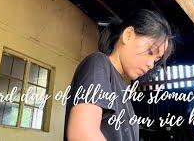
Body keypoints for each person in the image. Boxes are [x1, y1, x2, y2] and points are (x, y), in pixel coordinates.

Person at [64, 9, 173, 141]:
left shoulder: (121, 90)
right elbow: (81, 134)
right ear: (128, 35)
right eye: (150, 52)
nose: (151, 64)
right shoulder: (98, 63)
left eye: (156, 60)